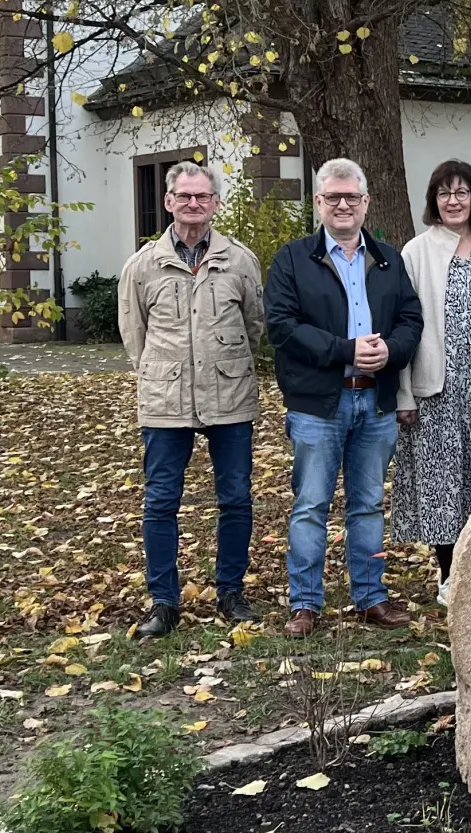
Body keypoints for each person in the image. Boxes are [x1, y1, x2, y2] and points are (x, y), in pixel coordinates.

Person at [264, 158, 423, 639]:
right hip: (318, 405)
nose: (342, 205)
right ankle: (305, 604)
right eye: (332, 197)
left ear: (366, 202)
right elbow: (283, 327)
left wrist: (390, 352)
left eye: (351, 196)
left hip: (374, 401)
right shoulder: (293, 259)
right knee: (311, 504)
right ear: (318, 202)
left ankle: (371, 598)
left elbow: (411, 320)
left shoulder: (389, 260)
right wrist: (345, 351)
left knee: (369, 504)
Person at [118, 161, 264, 638]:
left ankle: (231, 592)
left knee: (236, 498)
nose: (194, 204)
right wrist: (165, 370)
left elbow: (254, 328)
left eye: (202, 196)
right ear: (168, 202)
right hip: (166, 399)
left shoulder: (241, 261)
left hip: (230, 396)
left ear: (216, 203)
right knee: (161, 502)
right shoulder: (142, 267)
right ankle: (164, 601)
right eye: (184, 196)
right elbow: (134, 337)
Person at [392, 160, 471, 585]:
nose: (453, 200)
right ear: (433, 201)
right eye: (444, 193)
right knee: (446, 487)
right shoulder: (416, 251)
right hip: (438, 392)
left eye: (461, 192)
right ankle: (450, 579)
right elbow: (403, 327)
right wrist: (403, 395)